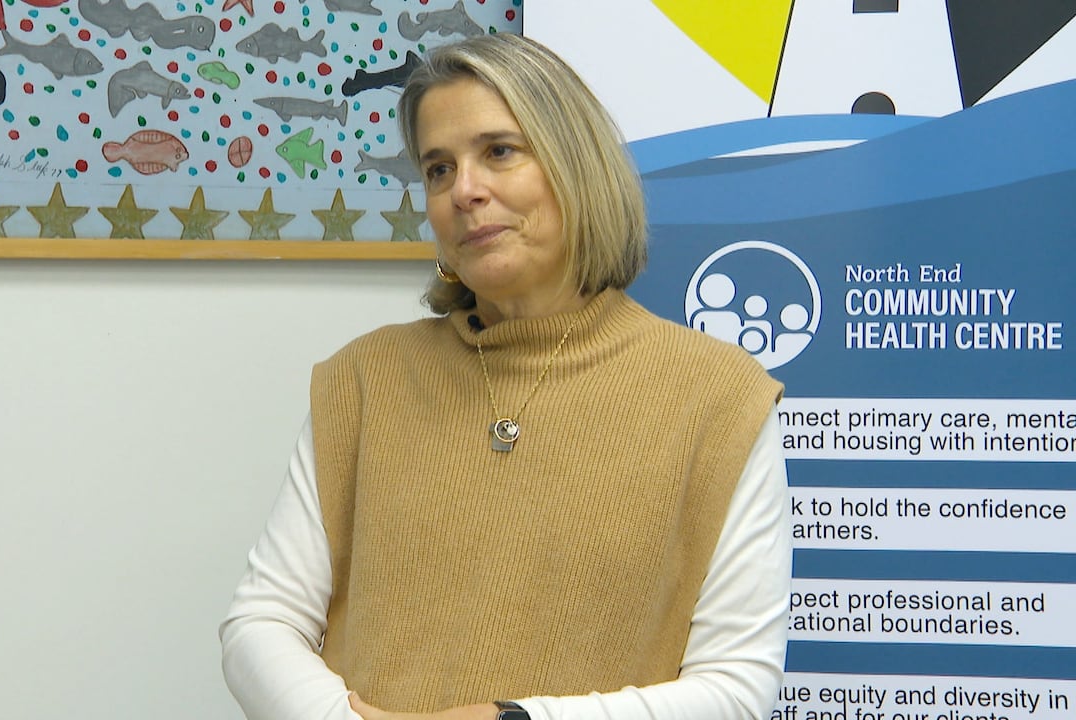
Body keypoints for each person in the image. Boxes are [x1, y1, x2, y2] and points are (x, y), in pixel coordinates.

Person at [220, 32, 790, 720]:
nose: (464, 190)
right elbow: (259, 622)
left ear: (575, 166)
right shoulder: (363, 381)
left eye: (498, 152)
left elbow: (737, 690)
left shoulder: (720, 398)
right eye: (437, 169)